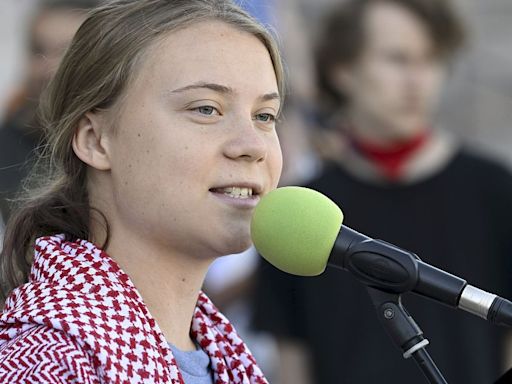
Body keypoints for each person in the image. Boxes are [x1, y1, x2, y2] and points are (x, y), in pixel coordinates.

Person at [0, 0, 284, 383]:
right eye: (205, 109)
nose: (254, 145)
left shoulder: (222, 355)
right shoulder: (45, 365)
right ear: (96, 141)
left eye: (264, 116)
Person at [252, 0, 512, 383]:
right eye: (397, 59)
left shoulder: (494, 189)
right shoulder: (303, 214)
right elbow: (292, 359)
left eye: (430, 60)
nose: (417, 80)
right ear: (343, 70)